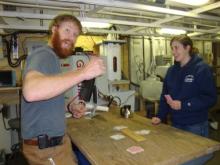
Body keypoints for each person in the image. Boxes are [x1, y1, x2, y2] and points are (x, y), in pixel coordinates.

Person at [21, 14, 105, 165]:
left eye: (75, 35)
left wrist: (69, 107)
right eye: (67, 30)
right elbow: (31, 92)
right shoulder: (44, 54)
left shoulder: (53, 59)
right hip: (47, 151)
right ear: (54, 30)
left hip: (55, 147)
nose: (71, 38)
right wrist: (84, 72)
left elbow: (47, 97)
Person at [151, 35, 217, 165]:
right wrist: (160, 116)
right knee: (177, 159)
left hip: (195, 126)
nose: (173, 52)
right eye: (172, 48)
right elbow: (165, 96)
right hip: (176, 124)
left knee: (190, 161)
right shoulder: (171, 71)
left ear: (187, 48)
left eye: (176, 48)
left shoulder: (201, 69)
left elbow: (210, 98)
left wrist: (184, 104)